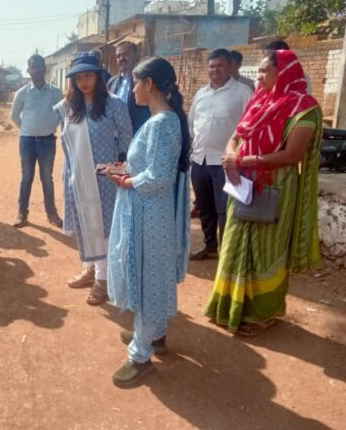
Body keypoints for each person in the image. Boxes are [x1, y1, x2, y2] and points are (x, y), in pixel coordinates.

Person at [206, 49, 323, 336]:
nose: (258, 76)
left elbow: (291, 155)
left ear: (283, 73)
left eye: (264, 71)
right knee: (233, 243)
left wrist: (242, 161)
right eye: (257, 71)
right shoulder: (258, 102)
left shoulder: (304, 108)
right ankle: (228, 307)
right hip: (243, 185)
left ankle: (263, 314)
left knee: (265, 251)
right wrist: (231, 157)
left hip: (276, 188)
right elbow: (235, 137)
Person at [107, 57, 191, 387]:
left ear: (150, 84)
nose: (133, 89)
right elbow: (153, 166)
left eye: (136, 83)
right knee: (150, 275)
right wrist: (126, 170)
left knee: (148, 278)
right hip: (147, 210)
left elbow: (160, 176)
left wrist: (127, 181)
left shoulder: (163, 123)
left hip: (151, 214)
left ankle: (140, 356)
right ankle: (154, 334)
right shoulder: (160, 120)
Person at [54, 53, 132, 305]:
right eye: (79, 77)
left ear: (98, 76)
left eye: (88, 76)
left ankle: (103, 280)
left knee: (103, 226)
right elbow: (66, 143)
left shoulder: (114, 104)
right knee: (84, 223)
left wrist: (115, 173)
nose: (84, 82)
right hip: (76, 175)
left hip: (104, 176)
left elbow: (127, 142)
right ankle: (90, 268)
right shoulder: (68, 107)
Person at [189, 48, 252, 260]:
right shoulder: (201, 93)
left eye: (220, 66)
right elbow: (192, 124)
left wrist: (238, 159)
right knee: (204, 207)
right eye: (212, 66)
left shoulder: (243, 92)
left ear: (230, 67)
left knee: (225, 209)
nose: (215, 70)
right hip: (200, 160)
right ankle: (210, 247)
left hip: (226, 163)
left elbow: (249, 128)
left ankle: (227, 255)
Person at [10, 54, 64, 228]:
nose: (37, 70)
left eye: (39, 66)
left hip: (48, 142)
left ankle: (51, 213)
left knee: (47, 178)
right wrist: (27, 129)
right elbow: (14, 116)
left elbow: (63, 115)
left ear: (45, 69)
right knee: (27, 177)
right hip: (28, 143)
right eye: (33, 67)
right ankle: (22, 213)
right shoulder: (22, 93)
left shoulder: (55, 92)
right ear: (29, 70)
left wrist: (51, 126)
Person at [107, 41, 151, 134]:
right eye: (118, 56)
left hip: (138, 133)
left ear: (136, 57)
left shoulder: (145, 82)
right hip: (115, 136)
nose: (121, 58)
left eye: (126, 54)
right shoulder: (111, 82)